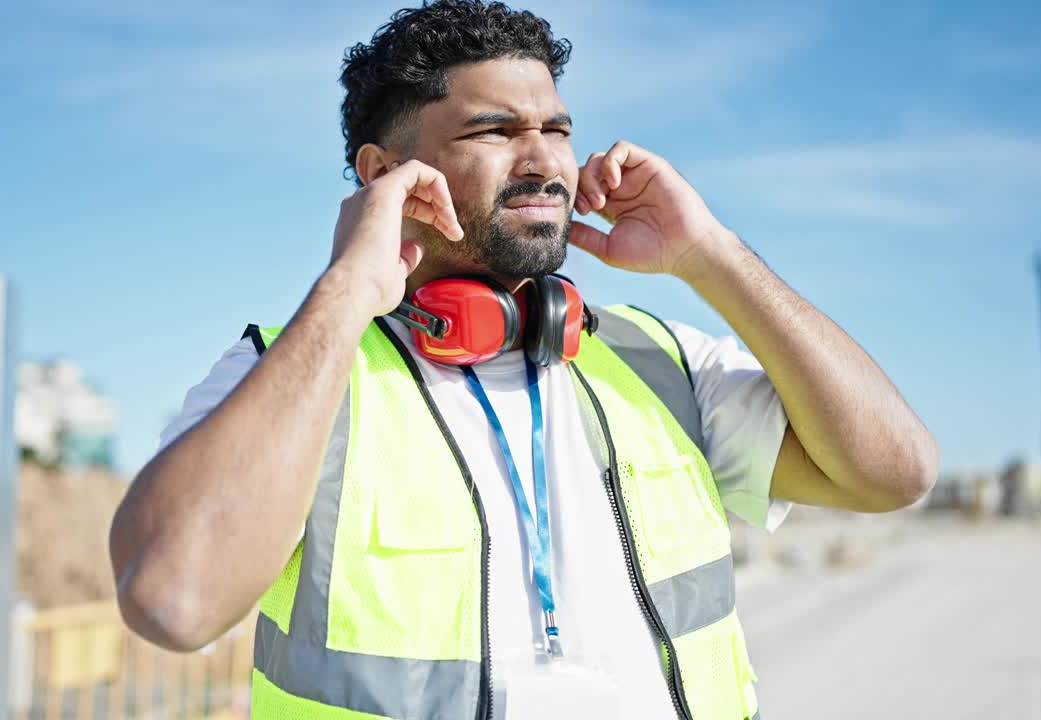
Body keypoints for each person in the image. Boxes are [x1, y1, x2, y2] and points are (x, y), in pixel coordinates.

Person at [108, 2, 939, 718]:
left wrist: (709, 254)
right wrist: (347, 288)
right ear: (385, 173)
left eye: (557, 129)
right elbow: (172, 599)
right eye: (495, 130)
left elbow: (896, 471)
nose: (544, 158)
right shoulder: (299, 378)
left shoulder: (659, 364)